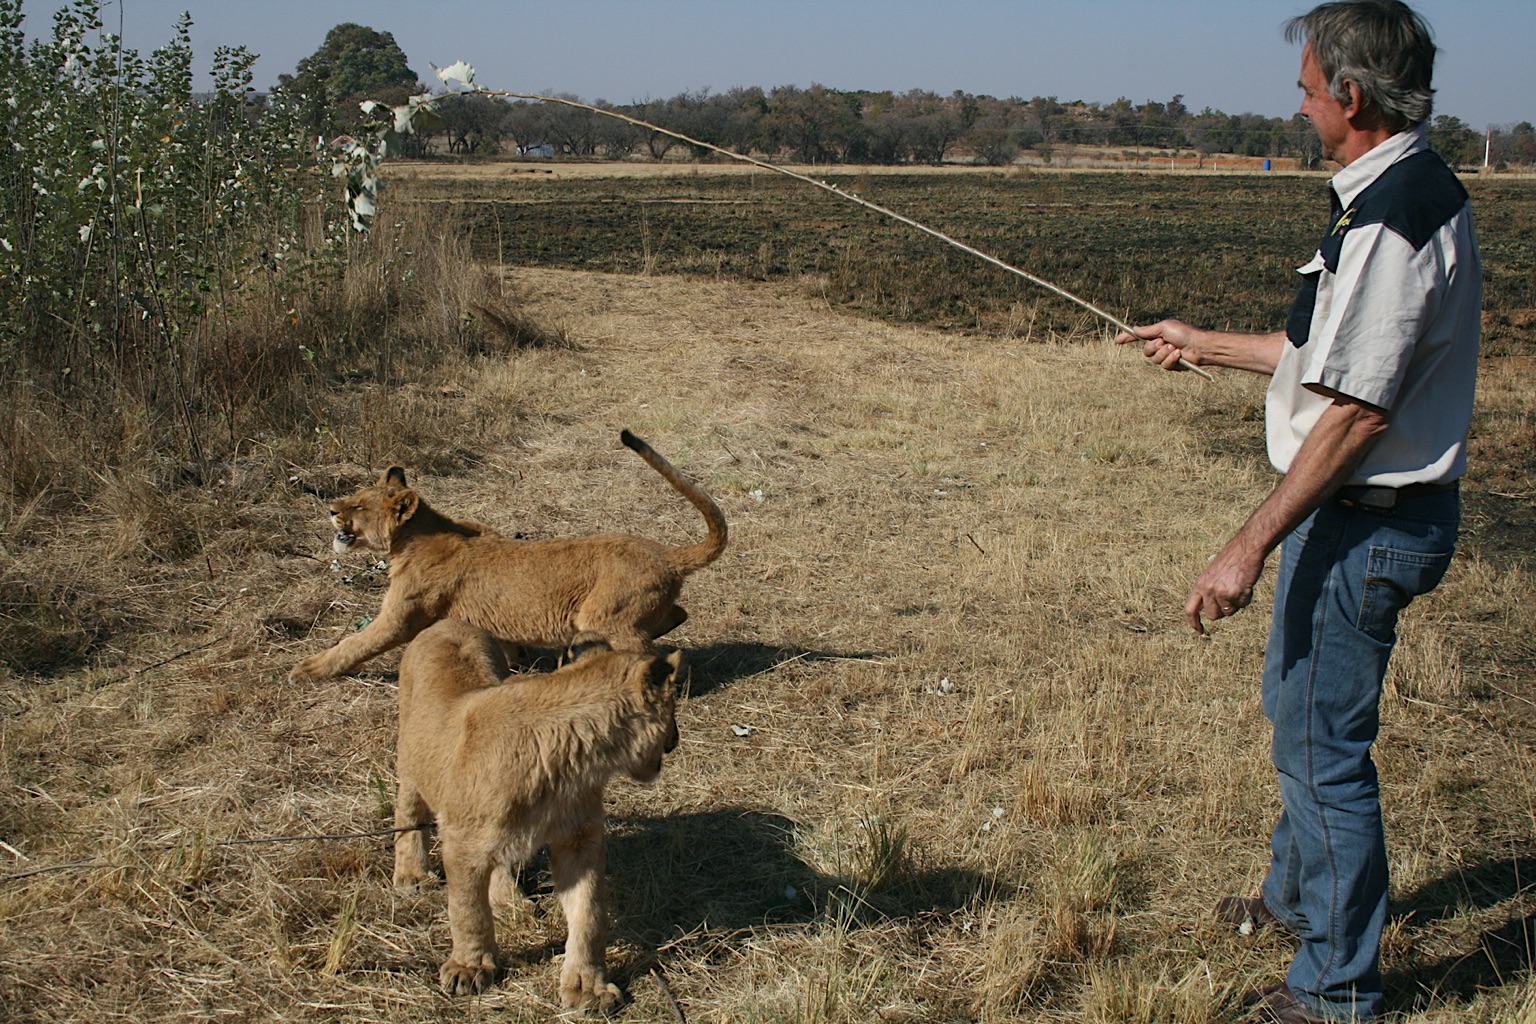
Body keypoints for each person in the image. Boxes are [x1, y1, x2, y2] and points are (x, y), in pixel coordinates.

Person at [1117, 3, 1481, 1021]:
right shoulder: (1390, 195)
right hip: (1353, 516)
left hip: (1369, 521)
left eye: (1309, 90)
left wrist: (1244, 547)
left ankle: (1335, 990)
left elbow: (1359, 413)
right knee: (1302, 721)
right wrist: (1202, 342)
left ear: (1352, 97)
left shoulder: (1397, 220)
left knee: (1323, 753)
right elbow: (1324, 356)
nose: (1302, 107)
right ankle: (1294, 902)